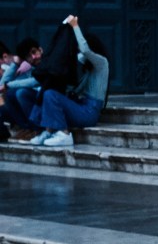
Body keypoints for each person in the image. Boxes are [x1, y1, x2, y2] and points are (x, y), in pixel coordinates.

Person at [27, 15, 109, 148]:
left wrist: (74, 26)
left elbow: (85, 50)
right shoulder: (87, 67)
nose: (79, 52)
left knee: (51, 95)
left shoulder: (102, 63)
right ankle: (49, 130)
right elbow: (64, 61)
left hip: (90, 112)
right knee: (49, 90)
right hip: (82, 106)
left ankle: (64, 134)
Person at [0, 37, 43, 140]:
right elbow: (2, 85)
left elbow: (35, 81)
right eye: (28, 56)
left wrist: (9, 85)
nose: (34, 57)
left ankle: (37, 128)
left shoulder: (47, 61)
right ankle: (27, 128)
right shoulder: (27, 65)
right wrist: (15, 64)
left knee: (21, 93)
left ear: (40, 49)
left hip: (47, 102)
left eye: (34, 52)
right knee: (9, 94)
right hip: (34, 103)